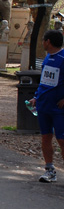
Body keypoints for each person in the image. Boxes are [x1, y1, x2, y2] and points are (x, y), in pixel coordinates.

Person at [28, 29, 64, 183]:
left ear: (48, 41)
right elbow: (44, 81)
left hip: (59, 109)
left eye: (43, 40)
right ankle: (49, 170)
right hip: (44, 105)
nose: (42, 42)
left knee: (62, 140)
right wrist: (36, 97)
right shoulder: (47, 57)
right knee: (45, 138)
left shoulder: (63, 58)